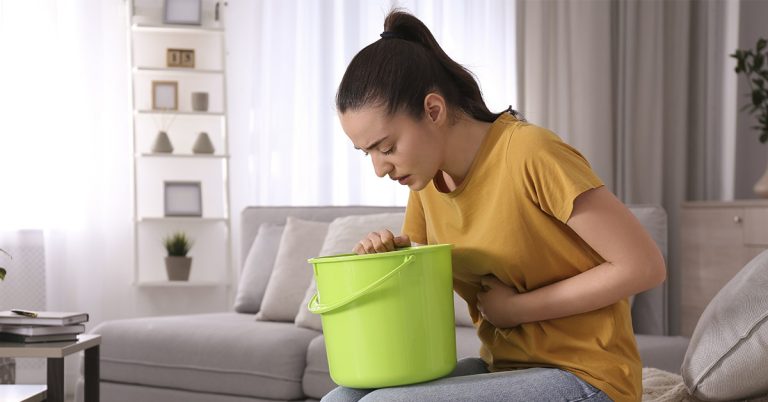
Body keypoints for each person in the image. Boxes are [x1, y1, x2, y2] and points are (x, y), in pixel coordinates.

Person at [324, 9, 665, 402]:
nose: (380, 168)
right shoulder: (425, 184)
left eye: (386, 147)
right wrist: (380, 259)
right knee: (343, 398)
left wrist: (517, 310)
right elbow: (418, 292)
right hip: (503, 368)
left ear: (433, 110)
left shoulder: (529, 152)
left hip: (587, 377)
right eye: (367, 153)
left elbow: (643, 266)